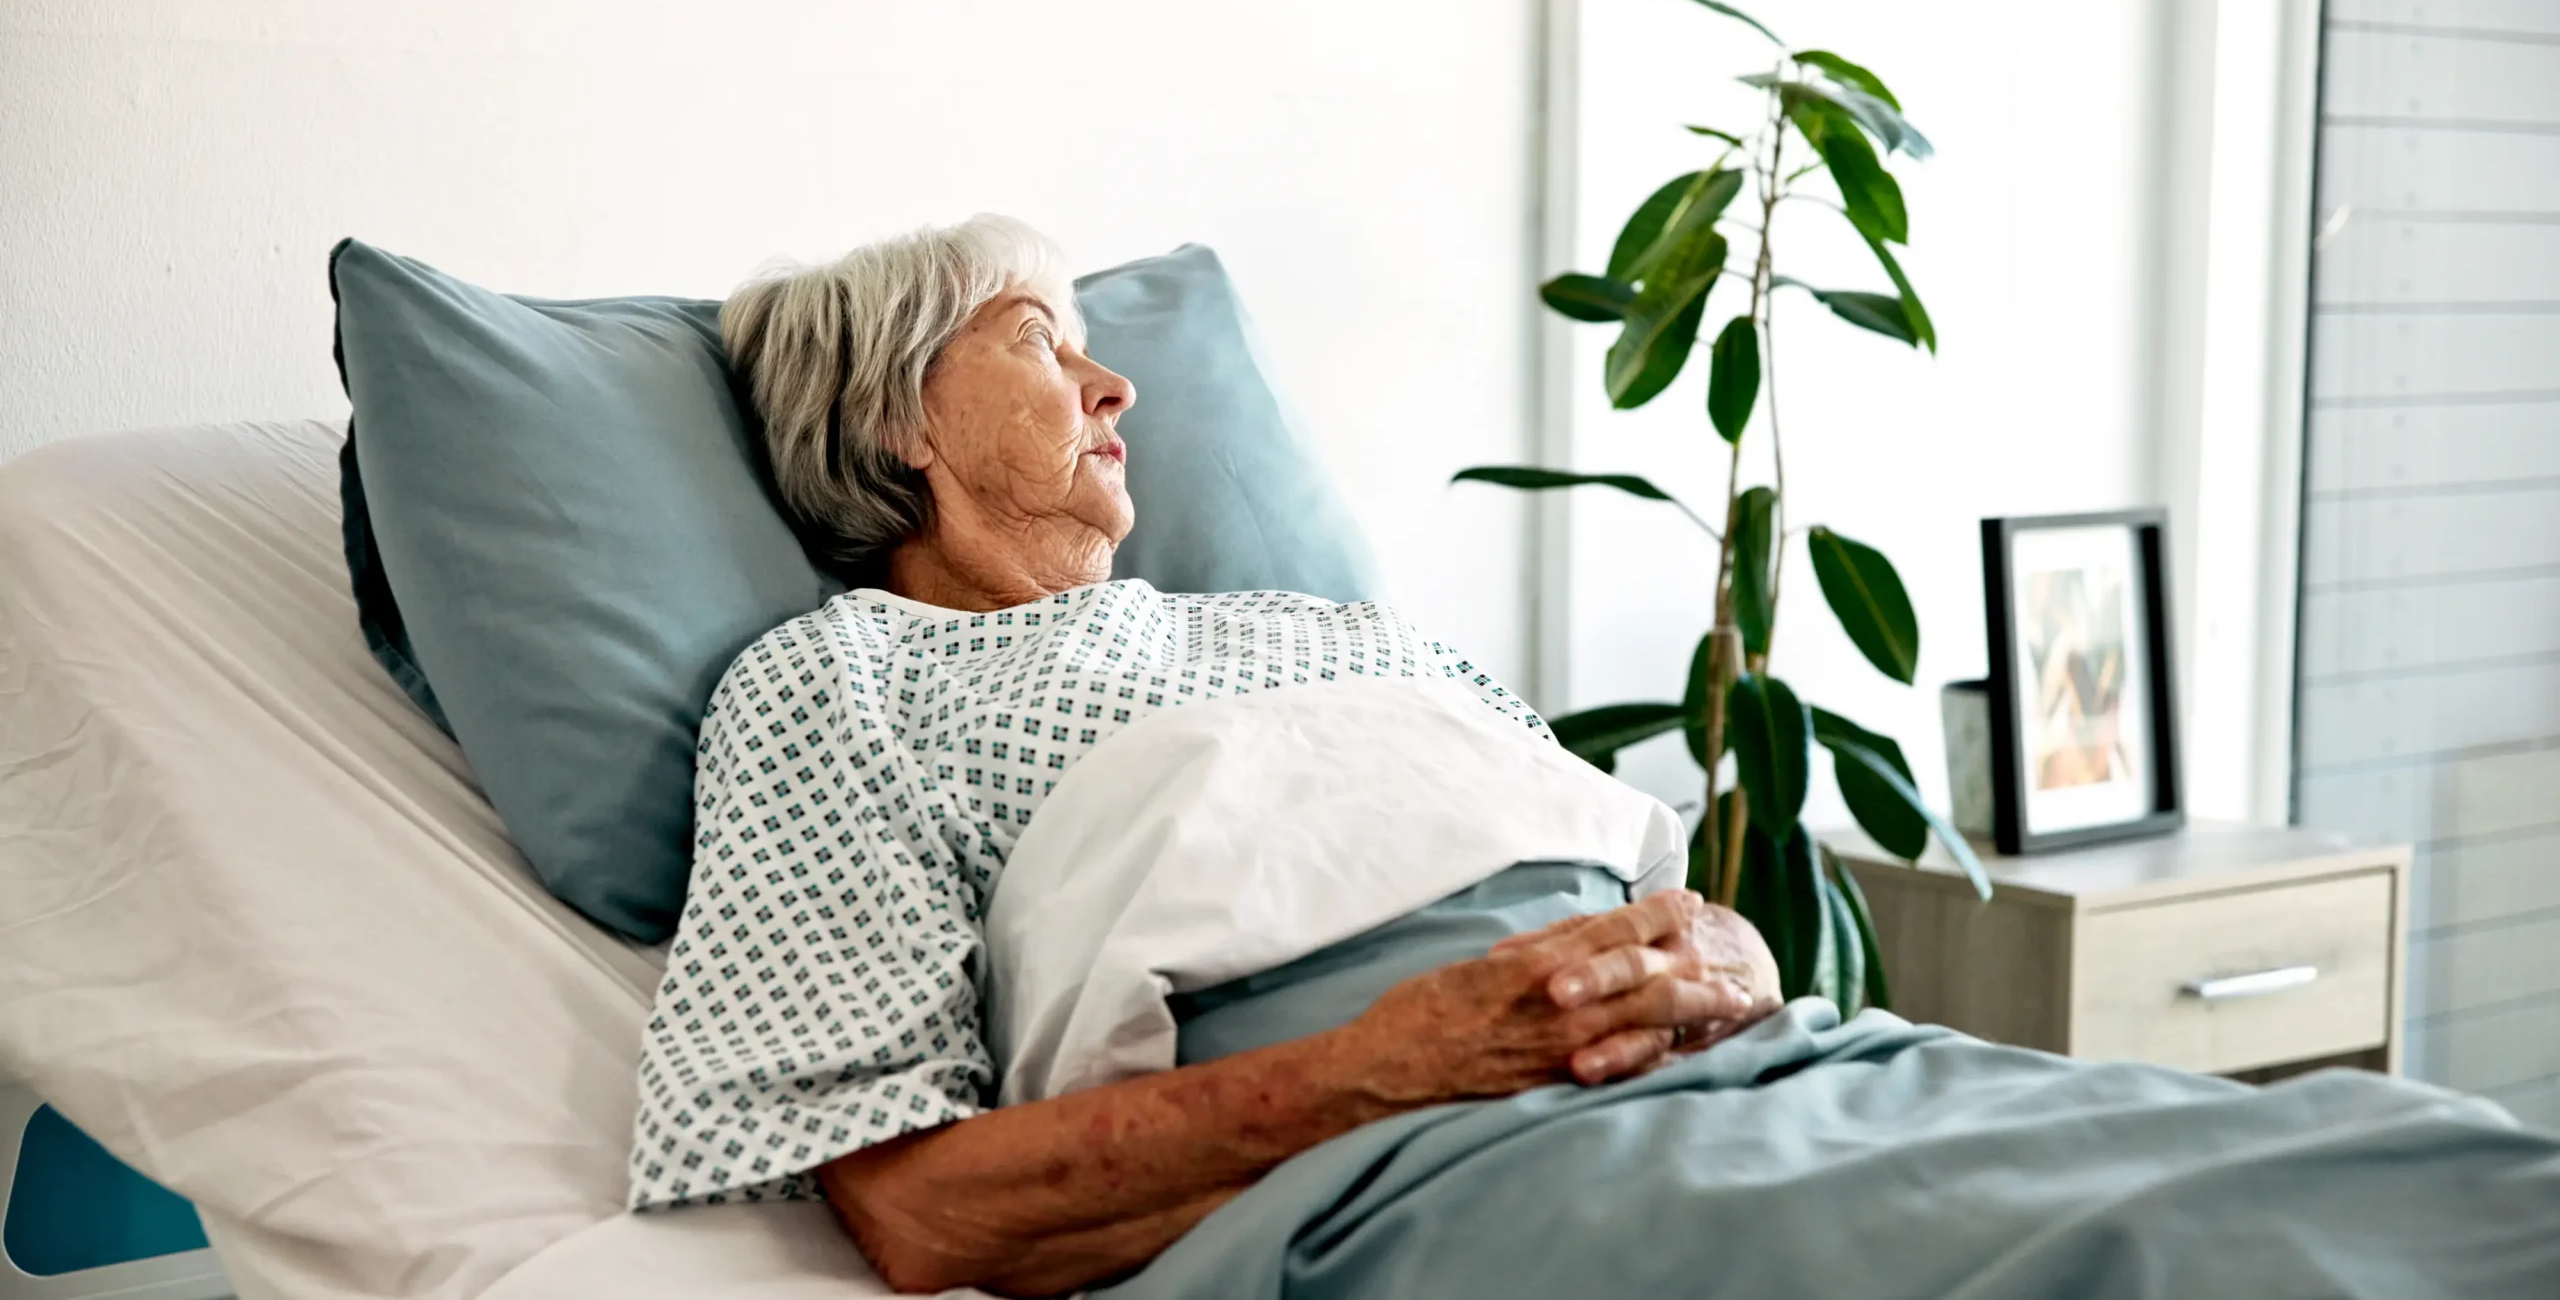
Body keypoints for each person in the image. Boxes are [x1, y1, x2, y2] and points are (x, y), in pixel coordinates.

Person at [627, 215, 1784, 1295]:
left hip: (1743, 1082)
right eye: (1039, 341)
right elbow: (911, 1205)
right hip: (1415, 1166)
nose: (1115, 386)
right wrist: (1398, 1063)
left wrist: (1731, 951)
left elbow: (1642, 887)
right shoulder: (839, 678)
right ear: (897, 420)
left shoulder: (1336, 627)